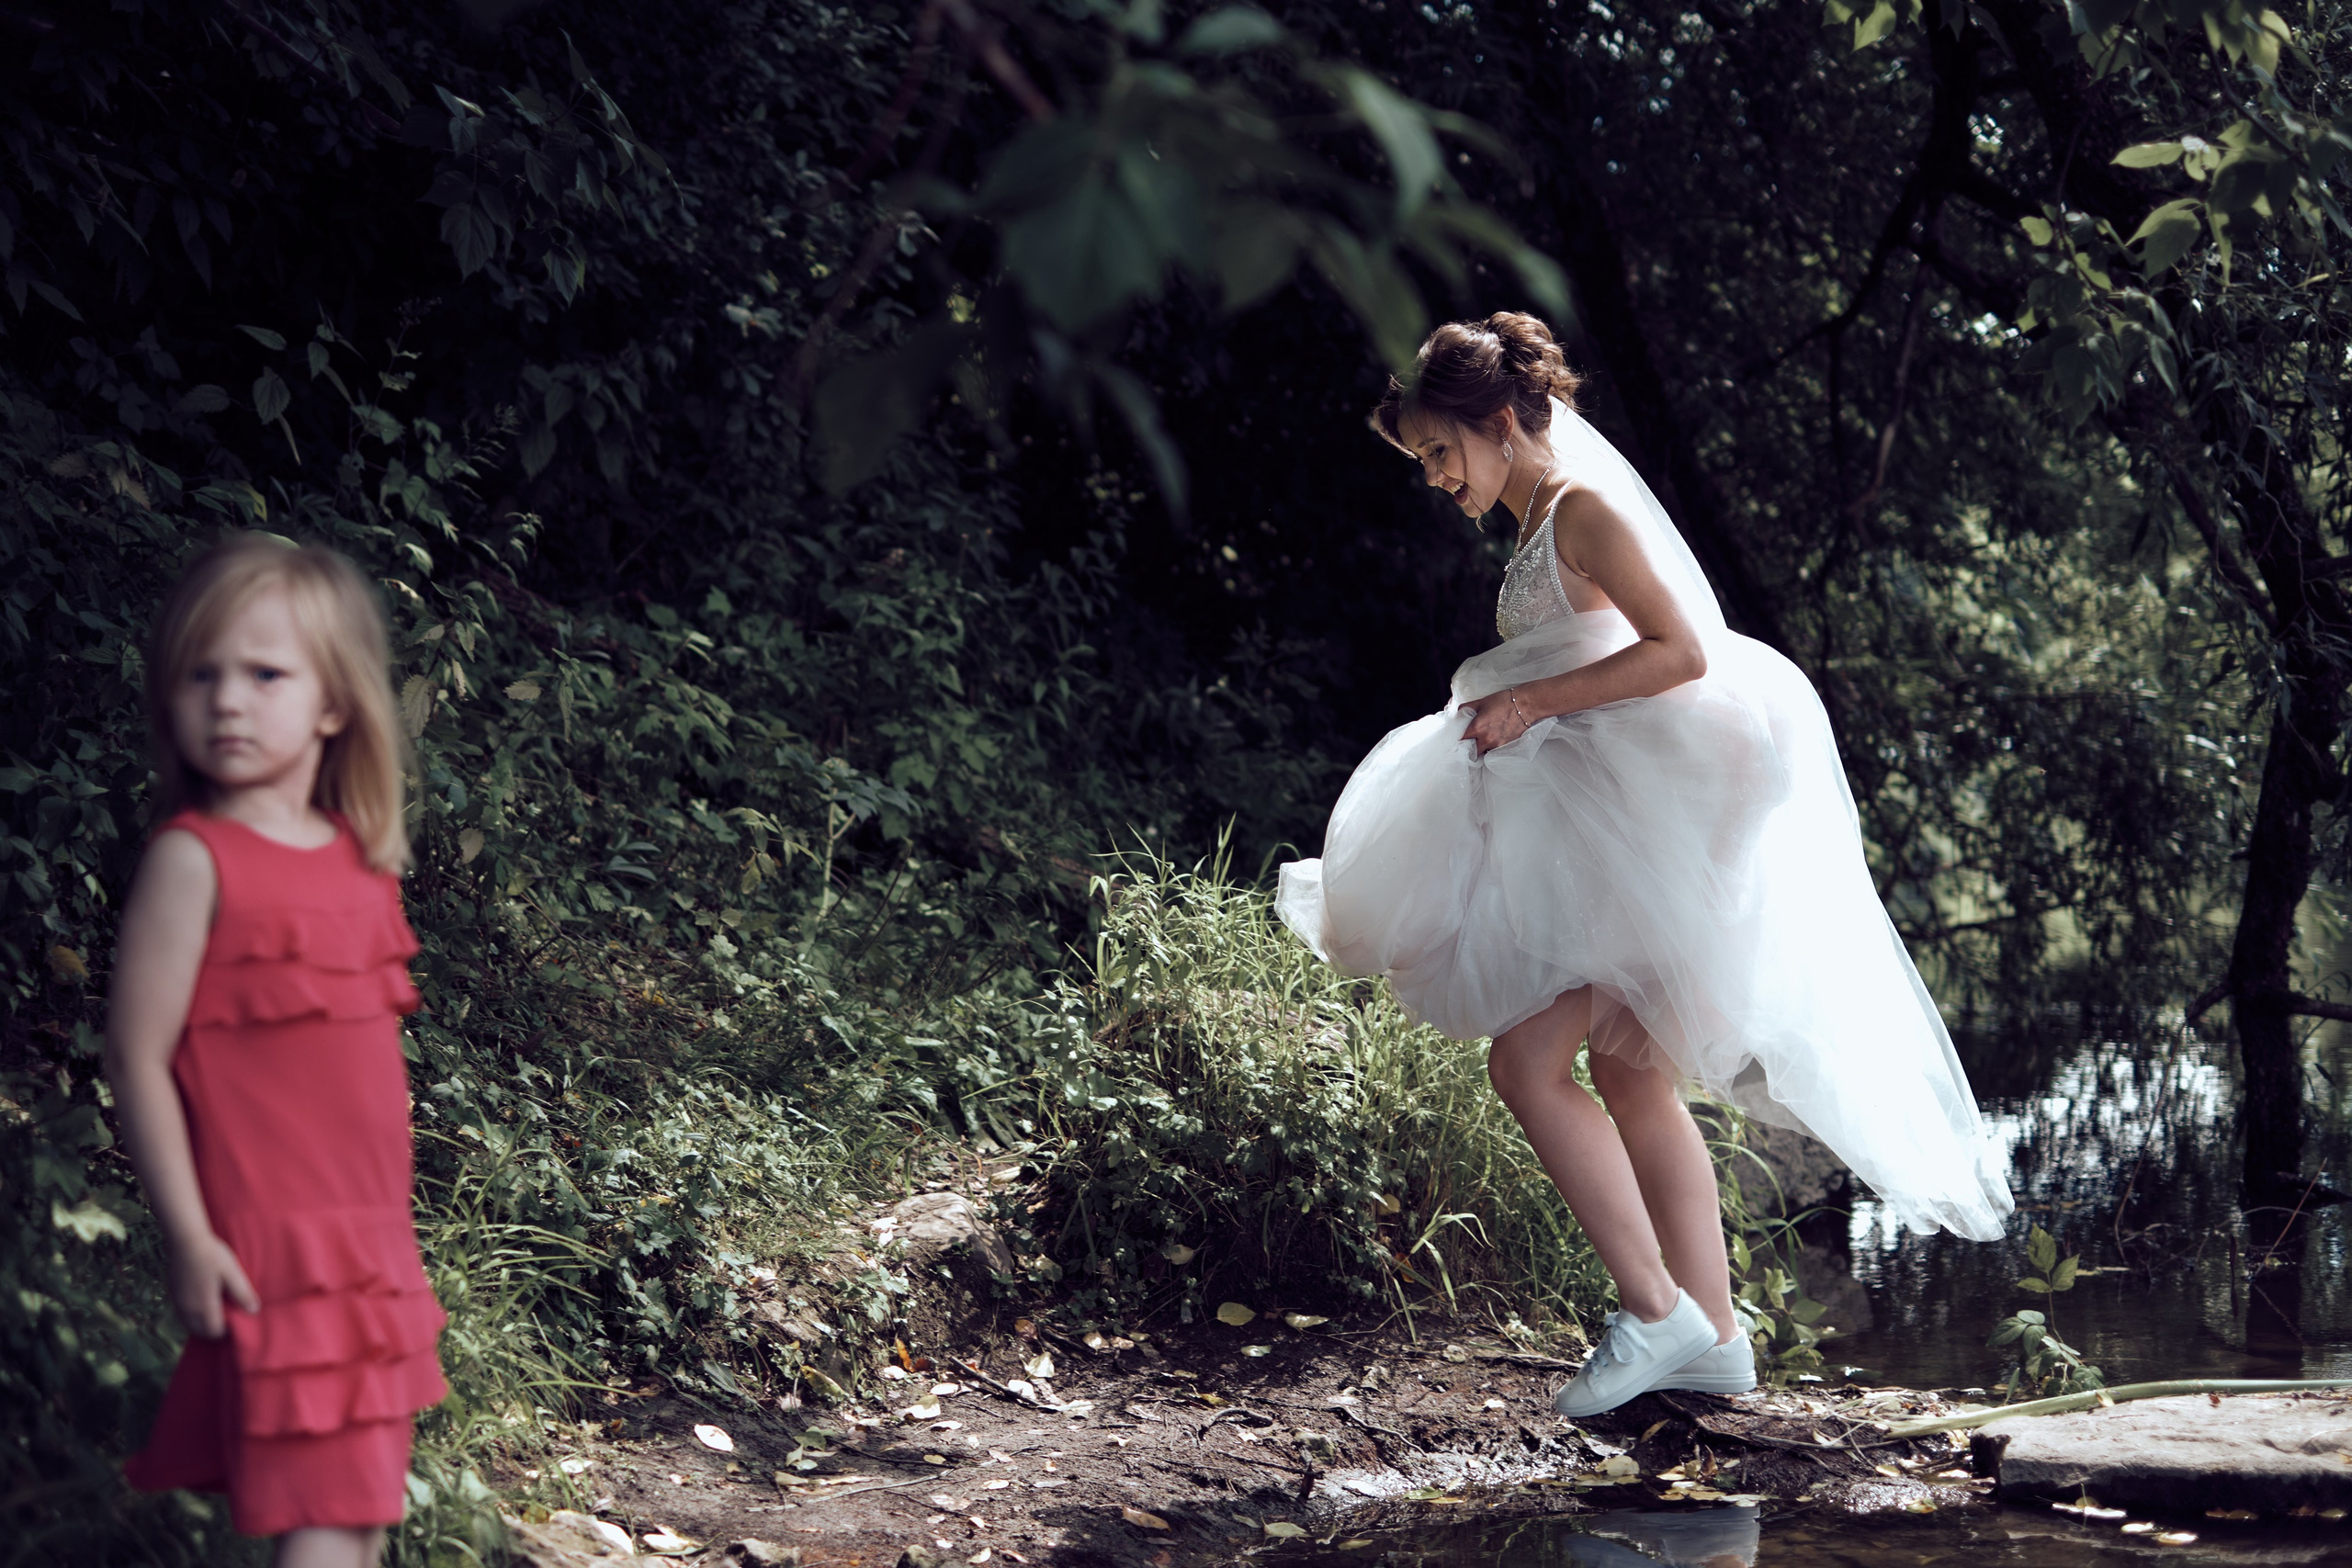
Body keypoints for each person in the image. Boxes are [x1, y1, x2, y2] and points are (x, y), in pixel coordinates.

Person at [1276, 314, 2012, 1416]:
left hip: (1674, 822)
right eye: (1419, 459)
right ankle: (1714, 1337)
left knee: (1527, 1066)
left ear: (1498, 421)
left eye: (1439, 450)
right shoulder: (1538, 522)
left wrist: (1530, 701)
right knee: (1627, 1075)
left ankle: (1656, 1311)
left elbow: (1683, 652)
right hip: (1629, 826)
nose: (1432, 476)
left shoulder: (1582, 510)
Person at [108, 535, 447, 1567]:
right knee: (333, 1524)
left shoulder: (359, 858)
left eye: (264, 674)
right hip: (272, 1248)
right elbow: (138, 1057)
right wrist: (190, 1234)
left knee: (355, 1519)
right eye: (200, 674)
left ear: (334, 702)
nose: (227, 701)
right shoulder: (193, 861)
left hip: (368, 1253)